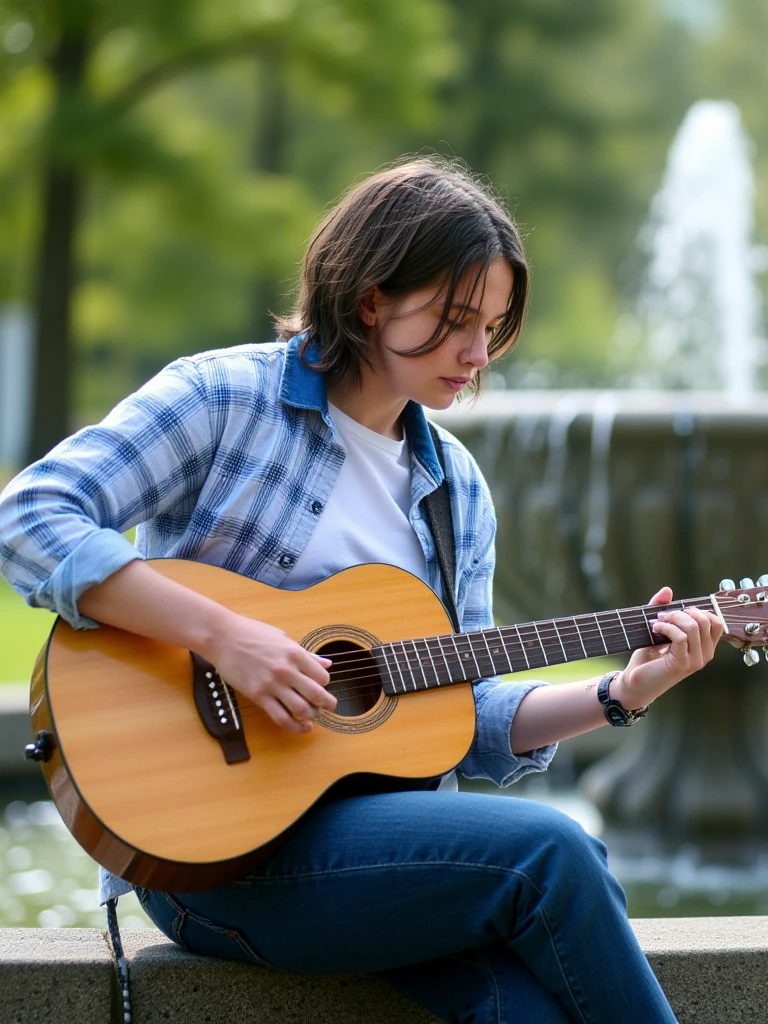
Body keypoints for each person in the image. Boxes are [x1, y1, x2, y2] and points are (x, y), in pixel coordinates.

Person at [0, 157, 724, 1023]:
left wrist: (621, 692)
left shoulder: (455, 490)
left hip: (378, 855)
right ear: (371, 299)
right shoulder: (224, 399)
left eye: (493, 327)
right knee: (555, 853)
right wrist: (227, 638)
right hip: (208, 857)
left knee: (520, 1011)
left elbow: (469, 714)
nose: (477, 354)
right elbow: (30, 515)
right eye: (456, 320)